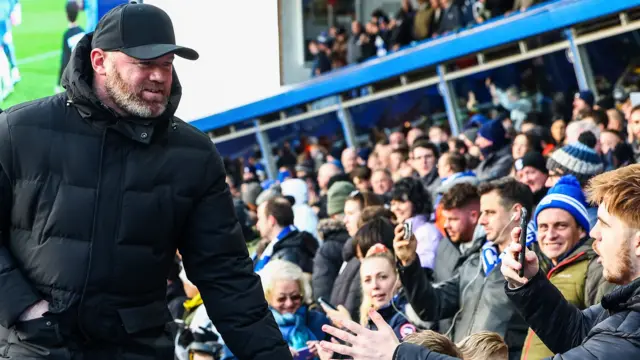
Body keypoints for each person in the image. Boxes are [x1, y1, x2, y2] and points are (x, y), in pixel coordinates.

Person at [0, 4, 291, 359]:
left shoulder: (193, 155)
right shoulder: (18, 132)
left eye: (166, 65)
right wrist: (27, 312)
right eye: (144, 64)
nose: (159, 76)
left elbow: (226, 276)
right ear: (98, 61)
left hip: (137, 349)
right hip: (35, 349)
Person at [501, 164, 640, 358]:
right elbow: (579, 333)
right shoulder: (628, 301)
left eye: (605, 224)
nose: (594, 232)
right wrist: (529, 284)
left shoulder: (630, 337)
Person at [394, 178, 533, 359]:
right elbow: (431, 307)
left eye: (490, 212)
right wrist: (410, 263)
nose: (481, 221)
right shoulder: (474, 263)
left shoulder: (534, 265)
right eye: (482, 213)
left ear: (516, 213)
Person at [521, 175, 613, 359]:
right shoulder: (539, 266)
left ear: (580, 230)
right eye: (543, 227)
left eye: (560, 226)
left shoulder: (596, 268)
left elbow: (603, 340)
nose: (550, 235)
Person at [259, 259, 330, 359]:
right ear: (267, 298)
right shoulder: (259, 329)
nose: (289, 303)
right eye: (281, 298)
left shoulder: (318, 321)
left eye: (295, 296)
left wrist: (325, 351)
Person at [254, 197, 319, 274]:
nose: (257, 225)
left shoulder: (288, 255)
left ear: (271, 220)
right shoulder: (286, 245)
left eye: (259, 218)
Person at [58, 1, 86, 92]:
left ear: (66, 15)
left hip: (72, 77)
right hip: (83, 74)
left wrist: (58, 82)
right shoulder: (83, 32)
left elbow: (64, 60)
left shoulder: (67, 35)